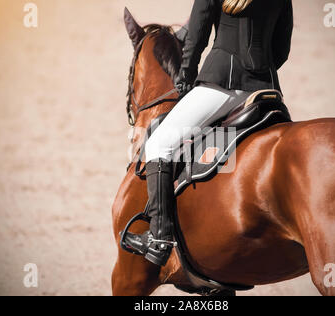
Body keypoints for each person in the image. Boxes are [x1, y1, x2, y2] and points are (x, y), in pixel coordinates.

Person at [124, 0, 293, 266]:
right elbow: (281, 50)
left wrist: (185, 77)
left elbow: (197, 35)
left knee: (159, 144)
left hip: (222, 83)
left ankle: (159, 238)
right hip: (267, 90)